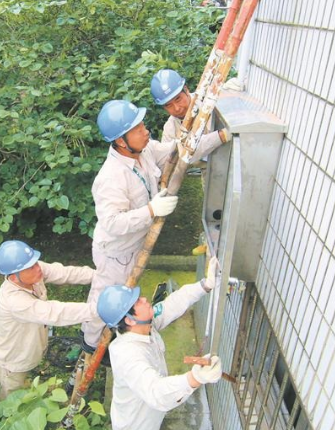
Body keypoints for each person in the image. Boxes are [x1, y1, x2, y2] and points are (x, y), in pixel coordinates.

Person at [81, 99, 229, 351]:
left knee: (124, 299)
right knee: (105, 299)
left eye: (142, 125)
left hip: (133, 247)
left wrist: (221, 136)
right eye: (137, 129)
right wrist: (151, 210)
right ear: (120, 141)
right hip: (115, 253)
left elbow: (182, 150)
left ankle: (115, 335)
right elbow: (112, 222)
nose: (146, 130)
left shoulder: (145, 150)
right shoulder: (111, 177)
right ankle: (91, 344)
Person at [97, 257, 223, 430]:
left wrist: (205, 285)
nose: (143, 298)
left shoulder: (144, 326)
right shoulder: (127, 355)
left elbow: (172, 304)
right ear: (129, 320)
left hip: (151, 418)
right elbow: (156, 392)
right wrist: (195, 378)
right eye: (137, 302)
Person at [0, 240, 98, 400]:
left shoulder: (30, 270)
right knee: (10, 401)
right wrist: (97, 310)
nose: (38, 267)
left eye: (35, 263)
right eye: (31, 267)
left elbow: (63, 273)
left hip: (29, 349)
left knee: (23, 393)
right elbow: (55, 312)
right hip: (12, 362)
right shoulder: (14, 301)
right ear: (13, 276)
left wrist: (97, 276)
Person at [150, 68, 231, 148]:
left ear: (186, 90)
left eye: (178, 99)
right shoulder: (170, 129)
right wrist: (221, 135)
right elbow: (170, 158)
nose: (177, 108)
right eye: (169, 105)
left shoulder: (210, 99)